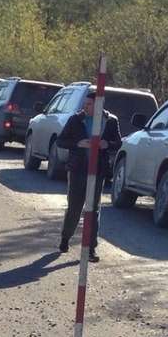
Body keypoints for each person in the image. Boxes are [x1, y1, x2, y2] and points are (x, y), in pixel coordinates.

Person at [56, 89, 122, 261]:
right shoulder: (76, 119)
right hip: (77, 170)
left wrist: (106, 144)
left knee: (93, 210)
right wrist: (78, 143)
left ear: (99, 104)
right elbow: (61, 141)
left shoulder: (110, 121)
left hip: (97, 172)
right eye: (84, 104)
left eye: (89, 104)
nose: (85, 107)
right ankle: (65, 238)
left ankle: (90, 249)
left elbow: (118, 143)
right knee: (74, 208)